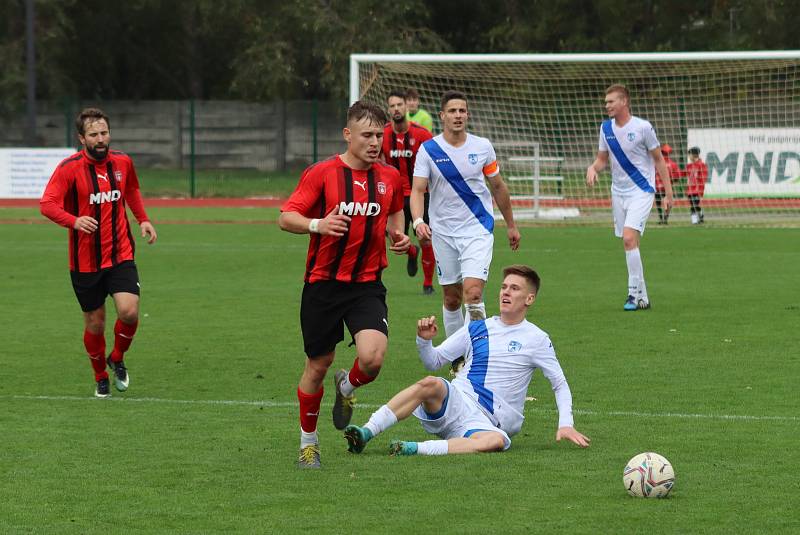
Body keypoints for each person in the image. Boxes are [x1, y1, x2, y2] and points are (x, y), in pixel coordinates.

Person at [278, 101, 411, 469]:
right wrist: (317, 225)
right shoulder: (321, 173)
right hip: (323, 285)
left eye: (379, 136)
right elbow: (286, 217)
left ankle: (347, 387)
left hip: (367, 284)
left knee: (372, 359)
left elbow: (395, 210)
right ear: (347, 134)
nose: (374, 142)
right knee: (318, 365)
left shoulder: (389, 176)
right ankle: (308, 443)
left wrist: (398, 235)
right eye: (366, 135)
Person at [343, 264, 590, 456]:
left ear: (529, 299)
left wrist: (566, 423)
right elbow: (434, 360)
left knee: (496, 441)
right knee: (431, 382)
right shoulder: (478, 327)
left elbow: (559, 383)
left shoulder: (537, 338)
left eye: (514, 288)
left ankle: (413, 448)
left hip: (488, 423)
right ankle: (366, 432)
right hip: (457, 401)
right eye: (504, 286)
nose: (505, 292)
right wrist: (424, 341)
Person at [40, 107, 157, 398]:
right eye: (94, 134)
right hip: (85, 262)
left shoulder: (123, 162)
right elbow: (47, 204)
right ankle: (100, 375)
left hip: (121, 254)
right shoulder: (69, 169)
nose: (101, 139)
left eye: (104, 132)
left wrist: (143, 219)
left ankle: (117, 357)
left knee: (129, 313)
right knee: (95, 322)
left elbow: (131, 191)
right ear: (82, 138)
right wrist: (74, 220)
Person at [411, 90, 520, 369]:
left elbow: (498, 186)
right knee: (451, 297)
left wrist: (510, 224)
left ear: (467, 115)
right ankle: (458, 358)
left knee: (473, 294)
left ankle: (480, 358)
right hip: (443, 233)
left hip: (478, 229)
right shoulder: (429, 150)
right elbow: (418, 190)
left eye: (462, 110)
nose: (458, 115)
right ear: (442, 116)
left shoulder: (482, 147)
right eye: (453, 111)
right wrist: (418, 221)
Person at [586, 84, 673, 311]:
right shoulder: (606, 129)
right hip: (618, 192)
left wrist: (669, 193)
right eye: (606, 102)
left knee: (628, 238)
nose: (607, 106)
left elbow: (658, 160)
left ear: (624, 101)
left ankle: (632, 295)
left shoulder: (643, 127)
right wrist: (593, 168)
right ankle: (644, 297)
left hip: (642, 190)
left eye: (611, 101)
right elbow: (602, 159)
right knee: (630, 243)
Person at [381, 89, 436, 294]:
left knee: (425, 236)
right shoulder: (383, 134)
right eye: (392, 106)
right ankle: (412, 252)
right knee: (394, 237)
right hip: (395, 196)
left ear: (407, 107)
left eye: (399, 105)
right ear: (389, 110)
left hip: (421, 194)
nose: (396, 109)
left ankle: (428, 284)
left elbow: (435, 161)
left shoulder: (421, 134)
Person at [654, 143, 681, 225]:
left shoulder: (655, 163)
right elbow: (677, 176)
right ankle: (665, 218)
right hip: (667, 187)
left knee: (658, 202)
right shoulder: (673, 164)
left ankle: (661, 217)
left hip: (657, 186)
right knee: (668, 202)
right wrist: (672, 183)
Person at [686, 146, 708, 224]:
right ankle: (700, 214)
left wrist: (701, 190)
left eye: (689, 154)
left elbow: (703, 178)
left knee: (694, 204)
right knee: (694, 204)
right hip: (690, 190)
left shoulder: (701, 165)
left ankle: (694, 221)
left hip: (697, 189)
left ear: (694, 155)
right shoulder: (689, 166)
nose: (688, 156)